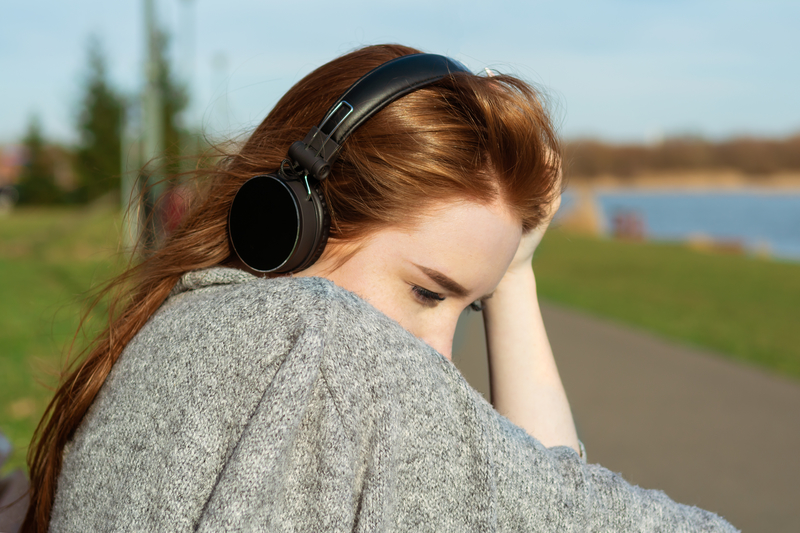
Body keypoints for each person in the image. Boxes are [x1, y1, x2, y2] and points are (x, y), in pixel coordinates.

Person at [24, 44, 737, 532]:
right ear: (291, 222)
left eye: (469, 306)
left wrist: (511, 274)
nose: (440, 357)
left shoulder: (181, 338)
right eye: (427, 293)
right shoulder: (321, 346)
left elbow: (533, 487)